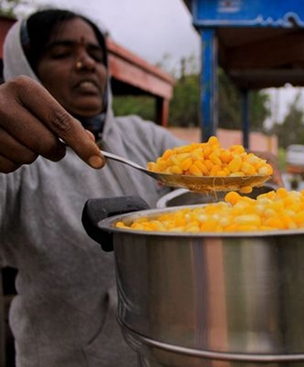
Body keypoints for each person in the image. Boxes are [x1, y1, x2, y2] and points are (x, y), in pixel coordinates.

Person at [0, 9, 185, 366]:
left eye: (96, 56)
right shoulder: (15, 158)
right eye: (61, 53)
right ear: (26, 67)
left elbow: (205, 171)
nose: (86, 64)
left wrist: (252, 168)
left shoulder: (143, 137)